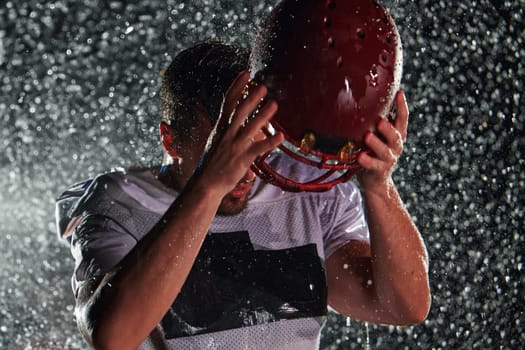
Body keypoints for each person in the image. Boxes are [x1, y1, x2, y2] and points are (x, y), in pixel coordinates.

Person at [56, 41, 430, 350]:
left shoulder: (305, 191)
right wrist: (209, 184)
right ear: (169, 140)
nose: (245, 169)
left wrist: (378, 188)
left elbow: (404, 306)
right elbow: (112, 337)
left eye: (255, 145)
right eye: (222, 150)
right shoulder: (120, 202)